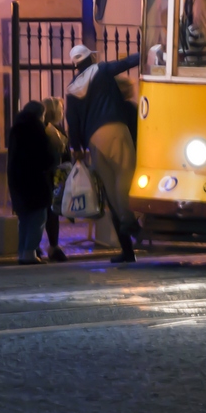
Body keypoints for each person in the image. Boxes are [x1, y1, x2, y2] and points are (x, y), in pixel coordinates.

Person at [65, 44, 141, 264]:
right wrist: (150, 51)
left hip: (93, 140)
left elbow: (73, 121)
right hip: (114, 128)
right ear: (91, 58)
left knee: (109, 186)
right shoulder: (102, 70)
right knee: (124, 175)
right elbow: (128, 62)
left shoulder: (72, 88)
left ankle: (126, 246)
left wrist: (77, 148)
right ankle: (129, 219)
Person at [8, 101, 56, 265]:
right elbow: (45, 157)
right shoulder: (37, 129)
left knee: (24, 219)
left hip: (17, 180)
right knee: (38, 217)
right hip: (35, 181)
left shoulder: (17, 127)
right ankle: (30, 251)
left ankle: (23, 251)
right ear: (40, 114)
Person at [41, 96, 69, 263]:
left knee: (41, 212)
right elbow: (66, 157)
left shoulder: (41, 128)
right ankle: (53, 246)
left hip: (42, 175)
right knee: (52, 212)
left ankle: (34, 246)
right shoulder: (57, 131)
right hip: (54, 176)